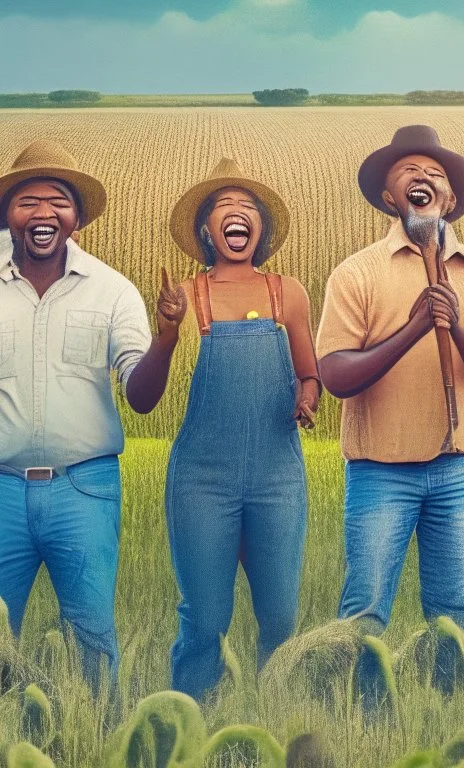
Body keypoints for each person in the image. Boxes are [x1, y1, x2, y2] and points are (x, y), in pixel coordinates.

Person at [316, 125, 464, 694]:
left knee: (454, 611)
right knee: (366, 612)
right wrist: (410, 331)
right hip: (380, 471)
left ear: (450, 199)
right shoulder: (356, 273)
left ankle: (444, 715)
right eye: (408, 172)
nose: (423, 178)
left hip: (456, 471)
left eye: (436, 174)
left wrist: (455, 330)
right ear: (388, 196)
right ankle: (360, 721)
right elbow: (334, 377)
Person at [128, 157, 320, 700]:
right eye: (223, 209)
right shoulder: (187, 296)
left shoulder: (289, 293)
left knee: (280, 618)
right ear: (207, 233)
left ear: (259, 229)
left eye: (247, 208)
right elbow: (143, 398)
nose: (237, 215)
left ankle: (275, 721)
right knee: (205, 619)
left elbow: (310, 375)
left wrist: (307, 399)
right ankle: (191, 722)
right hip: (202, 478)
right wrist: (166, 333)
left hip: (277, 475)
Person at [0, 140, 153, 690]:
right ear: (6, 215)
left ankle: (95, 741)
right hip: (1, 490)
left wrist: (171, 336)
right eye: (27, 201)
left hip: (84, 488)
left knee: (91, 640)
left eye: (58, 201)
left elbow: (138, 386)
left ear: (77, 217)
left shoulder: (114, 291)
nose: (43, 212)